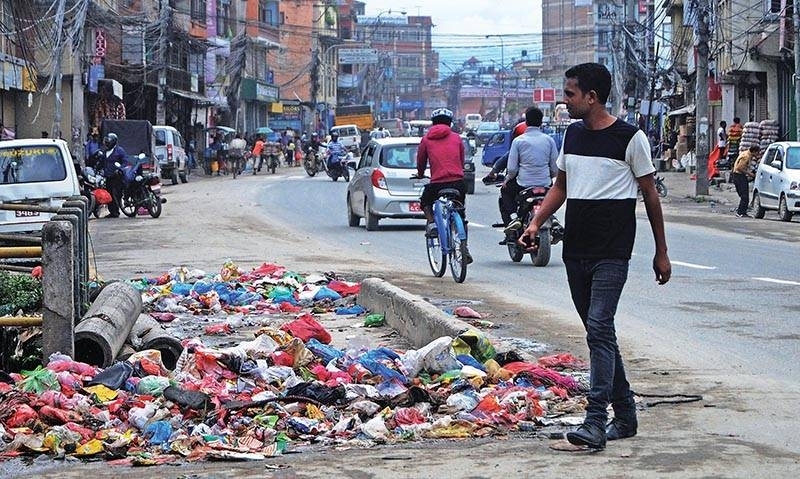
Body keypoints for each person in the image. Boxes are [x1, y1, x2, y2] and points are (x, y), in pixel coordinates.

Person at [519, 63, 671, 450]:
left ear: (592, 97)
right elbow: (561, 187)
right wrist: (537, 222)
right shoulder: (572, 135)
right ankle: (626, 415)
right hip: (577, 250)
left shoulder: (630, 138)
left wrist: (661, 252)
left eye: (570, 94)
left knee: (600, 329)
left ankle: (595, 420)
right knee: (598, 332)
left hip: (613, 251)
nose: (563, 100)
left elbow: (650, 195)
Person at [413, 107, 472, 264]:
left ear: (433, 123)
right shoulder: (457, 138)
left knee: (425, 202)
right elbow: (461, 160)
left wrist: (420, 174)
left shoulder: (426, 139)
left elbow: (421, 161)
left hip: (437, 184)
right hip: (458, 182)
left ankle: (432, 223)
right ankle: (463, 246)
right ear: (450, 123)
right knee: (460, 211)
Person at [499, 107, 559, 241]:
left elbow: (512, 169)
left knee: (505, 192)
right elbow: (555, 167)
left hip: (523, 184)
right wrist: (548, 175)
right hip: (545, 183)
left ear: (526, 121)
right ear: (541, 122)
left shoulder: (518, 141)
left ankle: (514, 218)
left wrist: (507, 180)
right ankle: (553, 218)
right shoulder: (549, 140)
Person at [100, 132, 128, 218]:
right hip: (108, 176)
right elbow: (101, 163)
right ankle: (112, 211)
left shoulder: (119, 151)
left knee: (115, 194)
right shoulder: (105, 152)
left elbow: (125, 162)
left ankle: (116, 211)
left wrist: (120, 169)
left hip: (117, 177)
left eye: (109, 141)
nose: (107, 143)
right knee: (108, 194)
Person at [732, 145, 758, 217]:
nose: (757, 155)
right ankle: (740, 212)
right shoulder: (746, 156)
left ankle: (743, 212)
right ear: (754, 151)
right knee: (744, 196)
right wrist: (750, 174)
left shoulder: (746, 153)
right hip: (739, 176)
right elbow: (739, 168)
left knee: (744, 195)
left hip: (739, 176)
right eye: (757, 153)